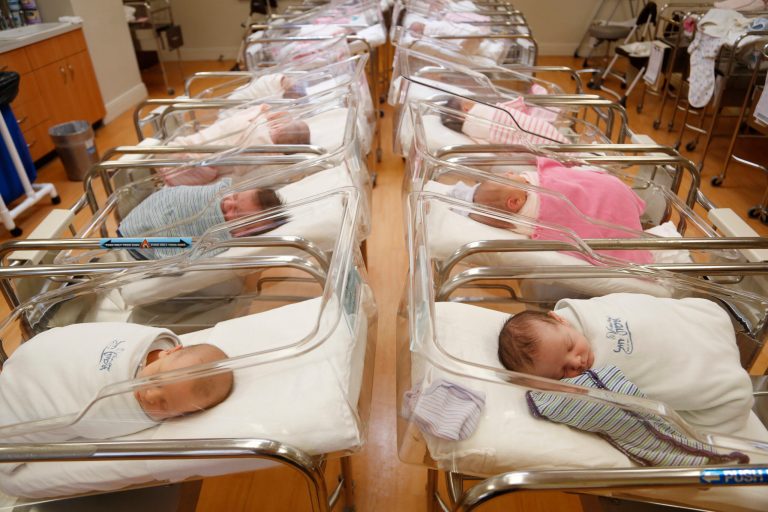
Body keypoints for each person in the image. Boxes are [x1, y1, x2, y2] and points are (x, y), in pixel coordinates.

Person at [0, 323, 234, 442]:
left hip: (26, 394)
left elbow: (89, 421)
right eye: (156, 380)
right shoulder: (145, 341)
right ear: (170, 351)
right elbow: (93, 336)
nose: (149, 396)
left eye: (164, 404)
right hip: (43, 352)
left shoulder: (129, 412)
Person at [447, 157, 652, 264]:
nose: (510, 172)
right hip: (610, 193)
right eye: (508, 177)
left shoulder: (519, 219)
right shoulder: (535, 208)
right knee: (604, 202)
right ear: (514, 202)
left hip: (601, 190)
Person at [118, 178, 285, 259]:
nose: (227, 203)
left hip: (139, 226)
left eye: (236, 212)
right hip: (134, 239)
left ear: (244, 232)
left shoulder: (220, 237)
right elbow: (171, 259)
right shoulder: (218, 193)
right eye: (235, 197)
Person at [497, 309, 594, 380]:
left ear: (560, 320)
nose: (576, 363)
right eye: (562, 372)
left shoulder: (583, 315)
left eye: (570, 346)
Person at [440, 96, 568, 146]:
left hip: (529, 147)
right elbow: (514, 106)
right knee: (554, 139)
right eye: (467, 100)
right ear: (466, 108)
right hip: (538, 128)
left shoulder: (471, 133)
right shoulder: (482, 109)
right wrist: (521, 102)